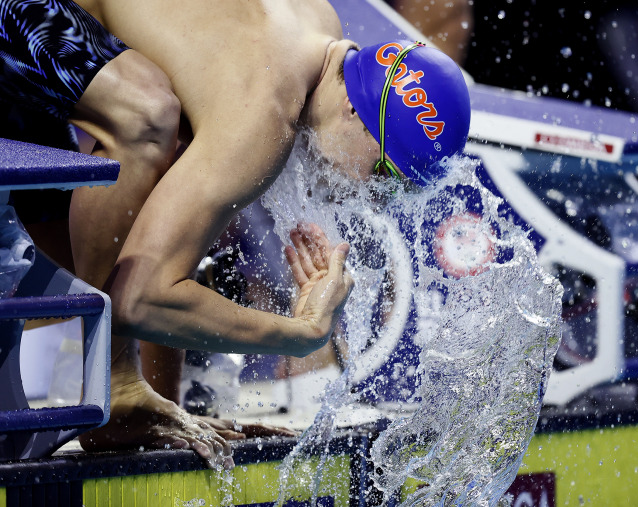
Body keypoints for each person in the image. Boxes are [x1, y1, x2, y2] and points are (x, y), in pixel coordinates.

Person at [0, 0, 471, 466]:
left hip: (41, 46)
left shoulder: (318, 34)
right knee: (145, 116)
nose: (375, 195)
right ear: (353, 109)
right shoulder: (266, 114)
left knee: (69, 264)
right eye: (384, 171)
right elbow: (138, 301)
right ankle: (116, 385)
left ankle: (127, 398)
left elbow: (163, 233)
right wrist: (299, 333)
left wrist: (167, 409)